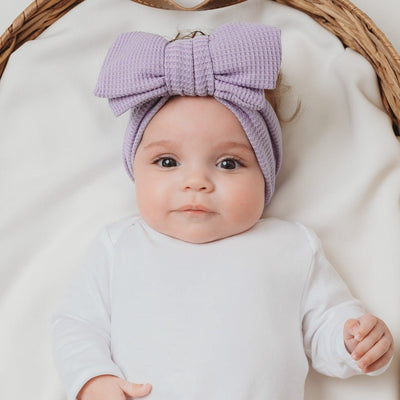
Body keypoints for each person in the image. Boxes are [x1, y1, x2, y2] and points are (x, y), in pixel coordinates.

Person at [51, 21, 394, 400]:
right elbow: (77, 324)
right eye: (167, 162)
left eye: (228, 164)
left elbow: (325, 326)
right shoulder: (119, 245)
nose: (196, 182)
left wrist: (353, 340)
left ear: (265, 175)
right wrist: (93, 379)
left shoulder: (291, 246)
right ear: (135, 169)